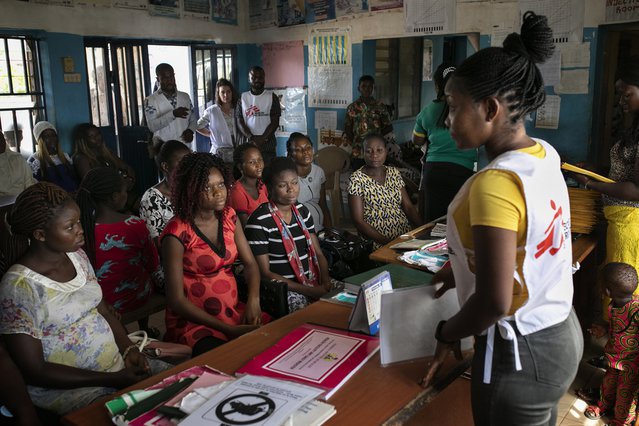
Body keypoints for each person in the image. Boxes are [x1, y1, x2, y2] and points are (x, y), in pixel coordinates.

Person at [421, 12, 583, 425]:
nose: (447, 121)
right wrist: (459, 270)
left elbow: (494, 301)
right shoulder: (542, 154)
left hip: (521, 353)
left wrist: (446, 332)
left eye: (454, 108)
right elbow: (526, 243)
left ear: (490, 108)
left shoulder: (495, 183)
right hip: (562, 331)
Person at [0, 182, 167, 415]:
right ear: (40, 234)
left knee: (183, 383)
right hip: (72, 390)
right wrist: (112, 379)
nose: (80, 229)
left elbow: (104, 311)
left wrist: (129, 350)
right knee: (141, 415)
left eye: (79, 221)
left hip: (115, 369)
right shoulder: (20, 286)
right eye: (70, 226)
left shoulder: (77, 256)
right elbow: (34, 369)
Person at [161, 153, 264, 357]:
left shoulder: (229, 217)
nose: (219, 192)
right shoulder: (176, 232)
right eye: (207, 187)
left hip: (230, 311)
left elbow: (251, 264)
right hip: (194, 323)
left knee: (270, 341)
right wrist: (228, 330)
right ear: (190, 191)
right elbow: (176, 301)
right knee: (227, 358)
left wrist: (254, 300)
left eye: (221, 184)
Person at [573, 55, 639, 315]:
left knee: (623, 291)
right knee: (615, 283)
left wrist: (591, 184)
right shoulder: (633, 128)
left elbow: (636, 190)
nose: (622, 101)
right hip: (619, 219)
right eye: (620, 95)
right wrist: (595, 171)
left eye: (627, 94)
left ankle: (621, 350)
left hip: (629, 221)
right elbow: (621, 174)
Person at [245, 157, 332, 312]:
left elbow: (318, 252)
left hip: (312, 280)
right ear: (269, 188)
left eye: (294, 182)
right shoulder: (260, 221)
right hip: (284, 289)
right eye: (282, 185)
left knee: (346, 295)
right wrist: (309, 291)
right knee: (306, 308)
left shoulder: (303, 212)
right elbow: (265, 273)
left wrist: (325, 281)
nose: (291, 189)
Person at [76, 167, 161, 316]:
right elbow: (152, 264)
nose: (126, 195)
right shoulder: (135, 224)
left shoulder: (82, 229)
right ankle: (144, 328)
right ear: (115, 197)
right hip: (136, 296)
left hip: (99, 302)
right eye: (124, 191)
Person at [412, 63, 476, 222]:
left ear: (436, 85)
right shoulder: (470, 109)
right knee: (458, 222)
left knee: (432, 225)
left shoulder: (427, 111)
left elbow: (416, 140)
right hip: (462, 172)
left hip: (434, 172)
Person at [583, 263, 639, 425]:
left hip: (631, 364)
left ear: (607, 291)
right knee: (608, 384)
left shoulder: (636, 309)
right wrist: (605, 330)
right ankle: (603, 405)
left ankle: (622, 421)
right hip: (614, 358)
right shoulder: (614, 305)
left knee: (626, 394)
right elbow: (620, 326)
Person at [348, 133, 420, 249]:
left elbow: (408, 207)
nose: (374, 155)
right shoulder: (357, 180)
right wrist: (389, 243)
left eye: (379, 150)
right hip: (376, 240)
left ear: (386, 152)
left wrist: (423, 229)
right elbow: (359, 221)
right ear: (362, 153)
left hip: (403, 235)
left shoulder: (394, 173)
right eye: (369, 151)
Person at [73, 123, 138, 213]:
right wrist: (121, 185)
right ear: (84, 140)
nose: (97, 138)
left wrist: (130, 180)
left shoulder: (106, 153)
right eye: (92, 136)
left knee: (143, 205)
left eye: (98, 134)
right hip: (101, 200)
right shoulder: (81, 158)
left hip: (118, 194)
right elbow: (91, 185)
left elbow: (127, 168)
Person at [139, 139, 191, 246]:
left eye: (189, 162)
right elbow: (158, 244)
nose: (187, 168)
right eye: (182, 163)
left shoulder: (191, 189)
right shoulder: (151, 199)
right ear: (165, 167)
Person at [144, 63, 197, 150]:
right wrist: (173, 114)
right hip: (162, 149)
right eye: (165, 78)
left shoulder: (185, 97)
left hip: (184, 146)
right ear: (158, 79)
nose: (169, 81)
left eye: (171, 77)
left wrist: (191, 130)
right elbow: (152, 126)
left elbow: (193, 118)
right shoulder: (151, 100)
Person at [344, 75, 393, 167]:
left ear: (374, 88)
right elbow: (347, 128)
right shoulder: (352, 107)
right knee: (358, 178)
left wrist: (377, 138)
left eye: (370, 86)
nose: (367, 89)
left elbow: (389, 127)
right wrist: (356, 142)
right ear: (359, 88)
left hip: (376, 153)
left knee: (376, 178)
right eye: (364, 86)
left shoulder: (380, 106)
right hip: (358, 152)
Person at [236, 66, 281, 166]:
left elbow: (275, 122)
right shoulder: (242, 97)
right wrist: (251, 138)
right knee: (249, 176)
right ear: (249, 79)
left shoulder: (272, 97)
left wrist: (263, 138)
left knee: (268, 175)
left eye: (260, 77)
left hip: (268, 145)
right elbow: (239, 121)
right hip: (248, 143)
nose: (257, 80)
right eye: (254, 77)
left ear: (264, 78)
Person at [287, 132, 331, 231]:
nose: (305, 152)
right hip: (297, 231)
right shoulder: (286, 177)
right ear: (290, 154)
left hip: (319, 229)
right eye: (299, 150)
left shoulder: (318, 172)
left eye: (308, 147)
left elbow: (323, 204)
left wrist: (329, 230)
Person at [27, 121, 78, 193]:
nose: (52, 138)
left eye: (54, 135)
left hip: (72, 196)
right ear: (40, 140)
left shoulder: (65, 156)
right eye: (46, 136)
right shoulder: (35, 160)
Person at [197, 78, 237, 163]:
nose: (226, 95)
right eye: (222, 92)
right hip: (218, 153)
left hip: (237, 150)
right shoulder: (212, 111)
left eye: (228, 91)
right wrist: (210, 134)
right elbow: (198, 126)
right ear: (218, 94)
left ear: (232, 92)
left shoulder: (237, 109)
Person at [228, 143, 268, 228]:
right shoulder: (237, 192)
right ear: (240, 167)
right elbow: (246, 227)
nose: (258, 165)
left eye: (260, 159)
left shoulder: (261, 185)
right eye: (252, 162)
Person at [0, 126, 36, 197]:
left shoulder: (18, 158)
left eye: (1, 139)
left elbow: (29, 183)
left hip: (23, 200)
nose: (1, 142)